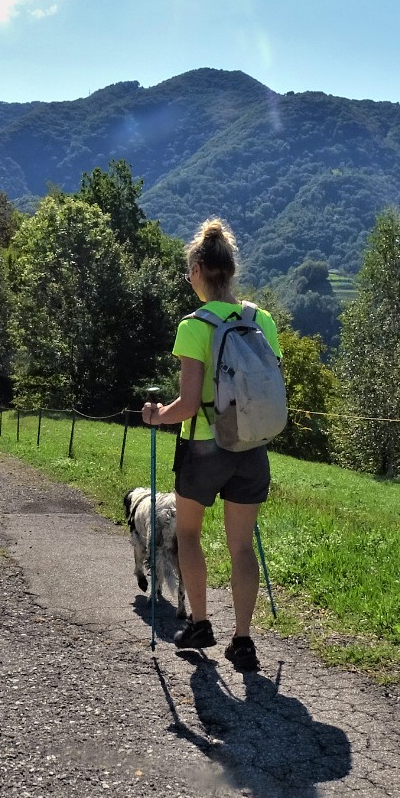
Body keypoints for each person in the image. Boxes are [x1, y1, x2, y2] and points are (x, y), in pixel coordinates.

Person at [141, 218, 281, 674]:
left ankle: (200, 623)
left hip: (203, 449)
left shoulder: (193, 326)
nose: (190, 279)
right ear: (231, 270)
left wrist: (155, 415)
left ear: (199, 268)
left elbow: (186, 405)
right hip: (252, 447)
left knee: (188, 534)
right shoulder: (261, 320)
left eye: (189, 272)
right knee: (241, 548)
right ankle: (243, 642)